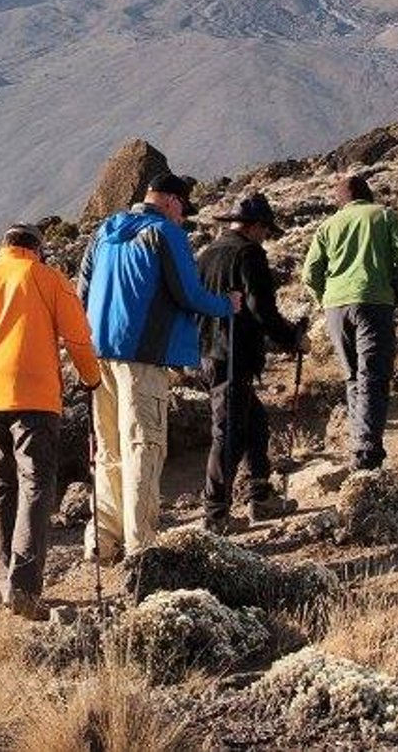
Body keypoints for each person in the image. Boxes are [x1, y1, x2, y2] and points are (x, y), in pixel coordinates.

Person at [77, 172, 238, 561]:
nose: (183, 217)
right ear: (169, 200)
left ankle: (102, 539)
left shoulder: (104, 231)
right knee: (143, 446)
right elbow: (188, 292)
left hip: (99, 355)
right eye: (183, 207)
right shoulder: (164, 233)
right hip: (143, 358)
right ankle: (142, 546)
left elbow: (81, 290)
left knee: (109, 447)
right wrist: (226, 305)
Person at [0, 224, 101, 621]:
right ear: (37, 249)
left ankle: (5, 582)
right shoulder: (49, 278)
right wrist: (92, 379)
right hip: (34, 395)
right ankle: (23, 585)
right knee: (36, 482)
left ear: (4, 248)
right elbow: (78, 338)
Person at [197, 192, 299, 533]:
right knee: (227, 433)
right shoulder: (248, 253)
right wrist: (292, 339)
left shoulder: (207, 254)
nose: (266, 237)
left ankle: (261, 495)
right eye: (266, 230)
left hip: (207, 352)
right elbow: (261, 309)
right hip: (232, 355)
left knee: (255, 423)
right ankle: (216, 515)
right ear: (255, 226)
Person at [302, 173, 398, 471]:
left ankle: (359, 446)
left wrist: (325, 301)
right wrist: (396, 293)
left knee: (353, 376)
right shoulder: (385, 216)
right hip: (374, 302)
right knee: (374, 376)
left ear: (341, 199)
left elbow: (310, 272)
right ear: (367, 194)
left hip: (336, 308)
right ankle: (367, 452)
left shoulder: (327, 226)